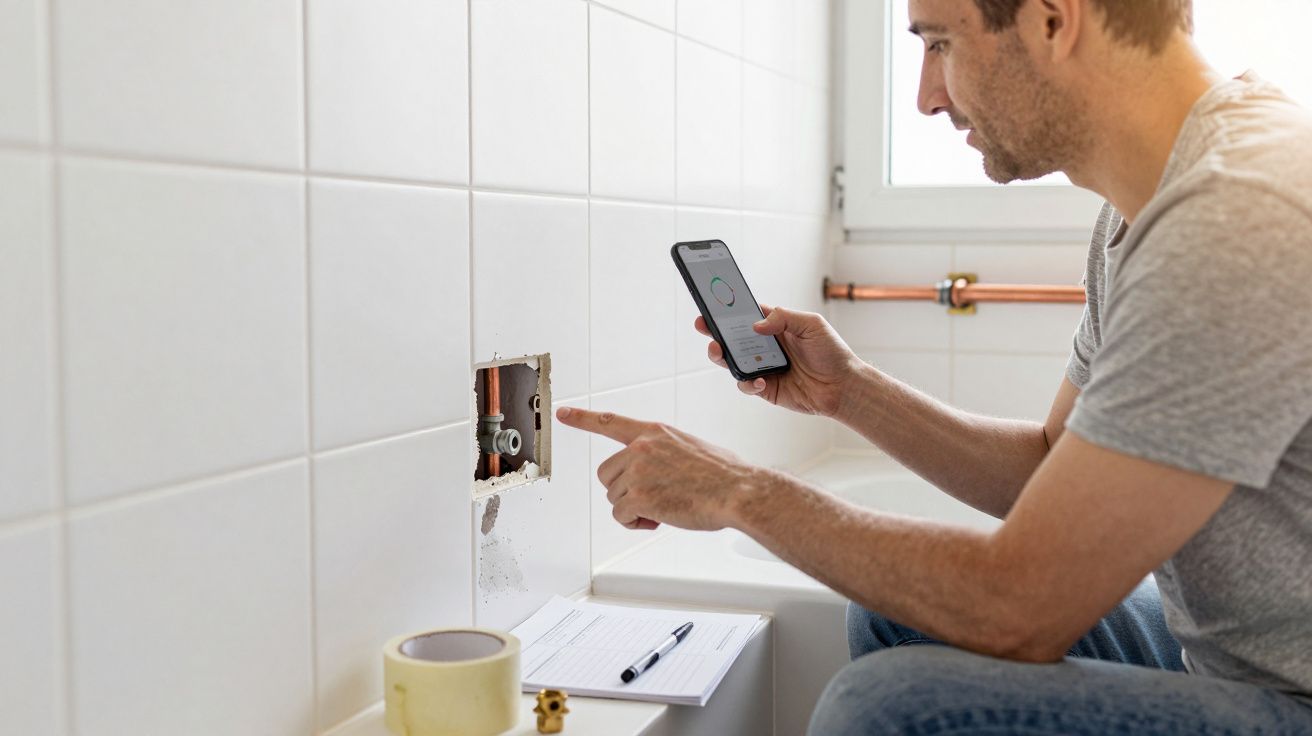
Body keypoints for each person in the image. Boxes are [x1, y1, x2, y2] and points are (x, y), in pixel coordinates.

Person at [557, 0, 1312, 731]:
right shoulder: (1145, 207)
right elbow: (1050, 465)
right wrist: (848, 393)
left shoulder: (1237, 213)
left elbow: (1019, 608)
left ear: (1053, 20)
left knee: (886, 706)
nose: (925, 97)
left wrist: (736, 491)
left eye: (939, 43)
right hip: (1238, 667)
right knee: (897, 612)